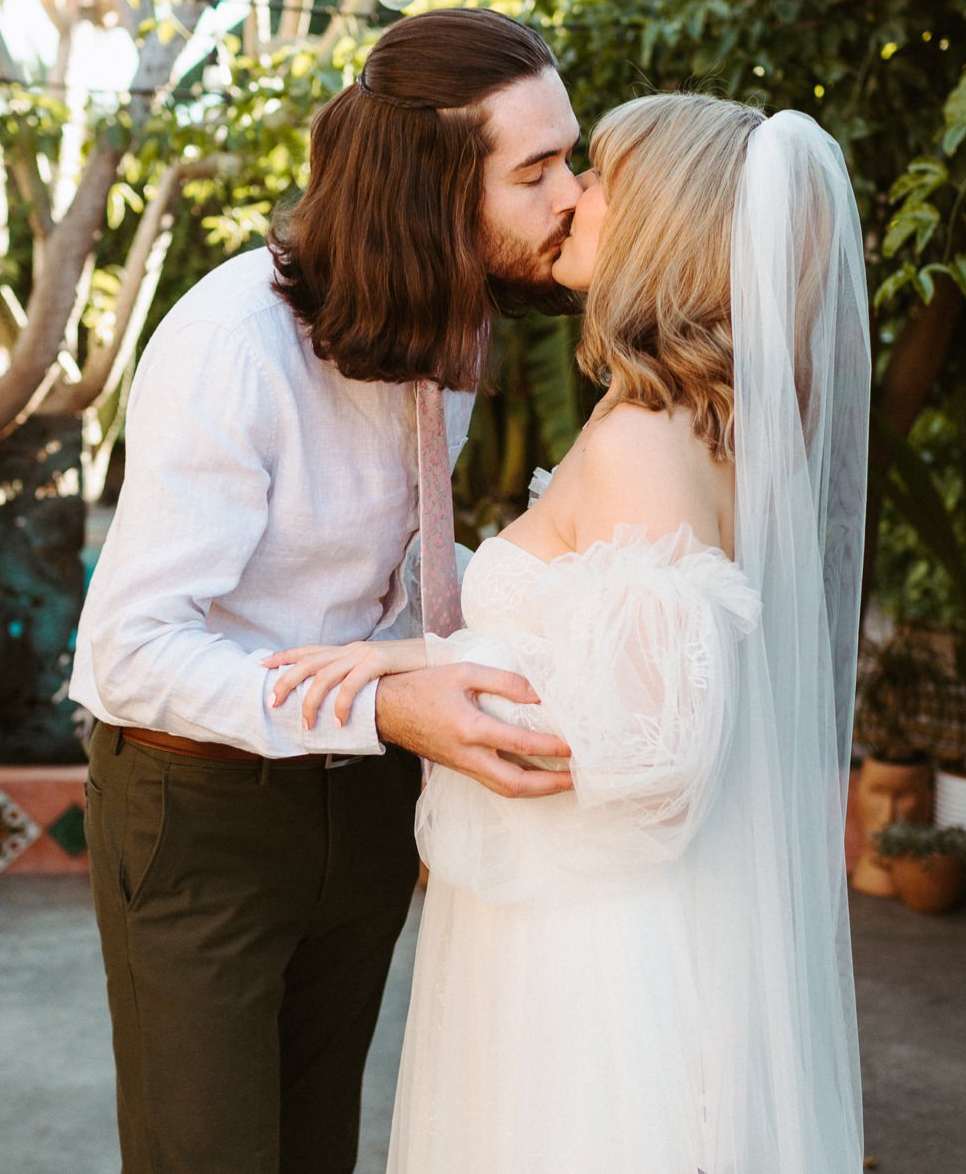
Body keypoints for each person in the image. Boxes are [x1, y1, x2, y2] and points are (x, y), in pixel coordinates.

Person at [268, 93, 871, 1172]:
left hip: (589, 963)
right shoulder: (683, 412)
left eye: (600, 176)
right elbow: (592, 645)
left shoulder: (647, 436)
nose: (573, 196)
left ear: (662, 227)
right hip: (568, 925)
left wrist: (415, 671)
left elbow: (652, 744)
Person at [71, 8, 588, 1174]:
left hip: (362, 807)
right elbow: (131, 648)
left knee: (316, 1156)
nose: (573, 191)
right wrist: (381, 708)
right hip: (198, 810)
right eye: (538, 168)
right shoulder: (230, 346)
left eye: (571, 154)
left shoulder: (446, 331)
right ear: (430, 189)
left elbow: (408, 580)